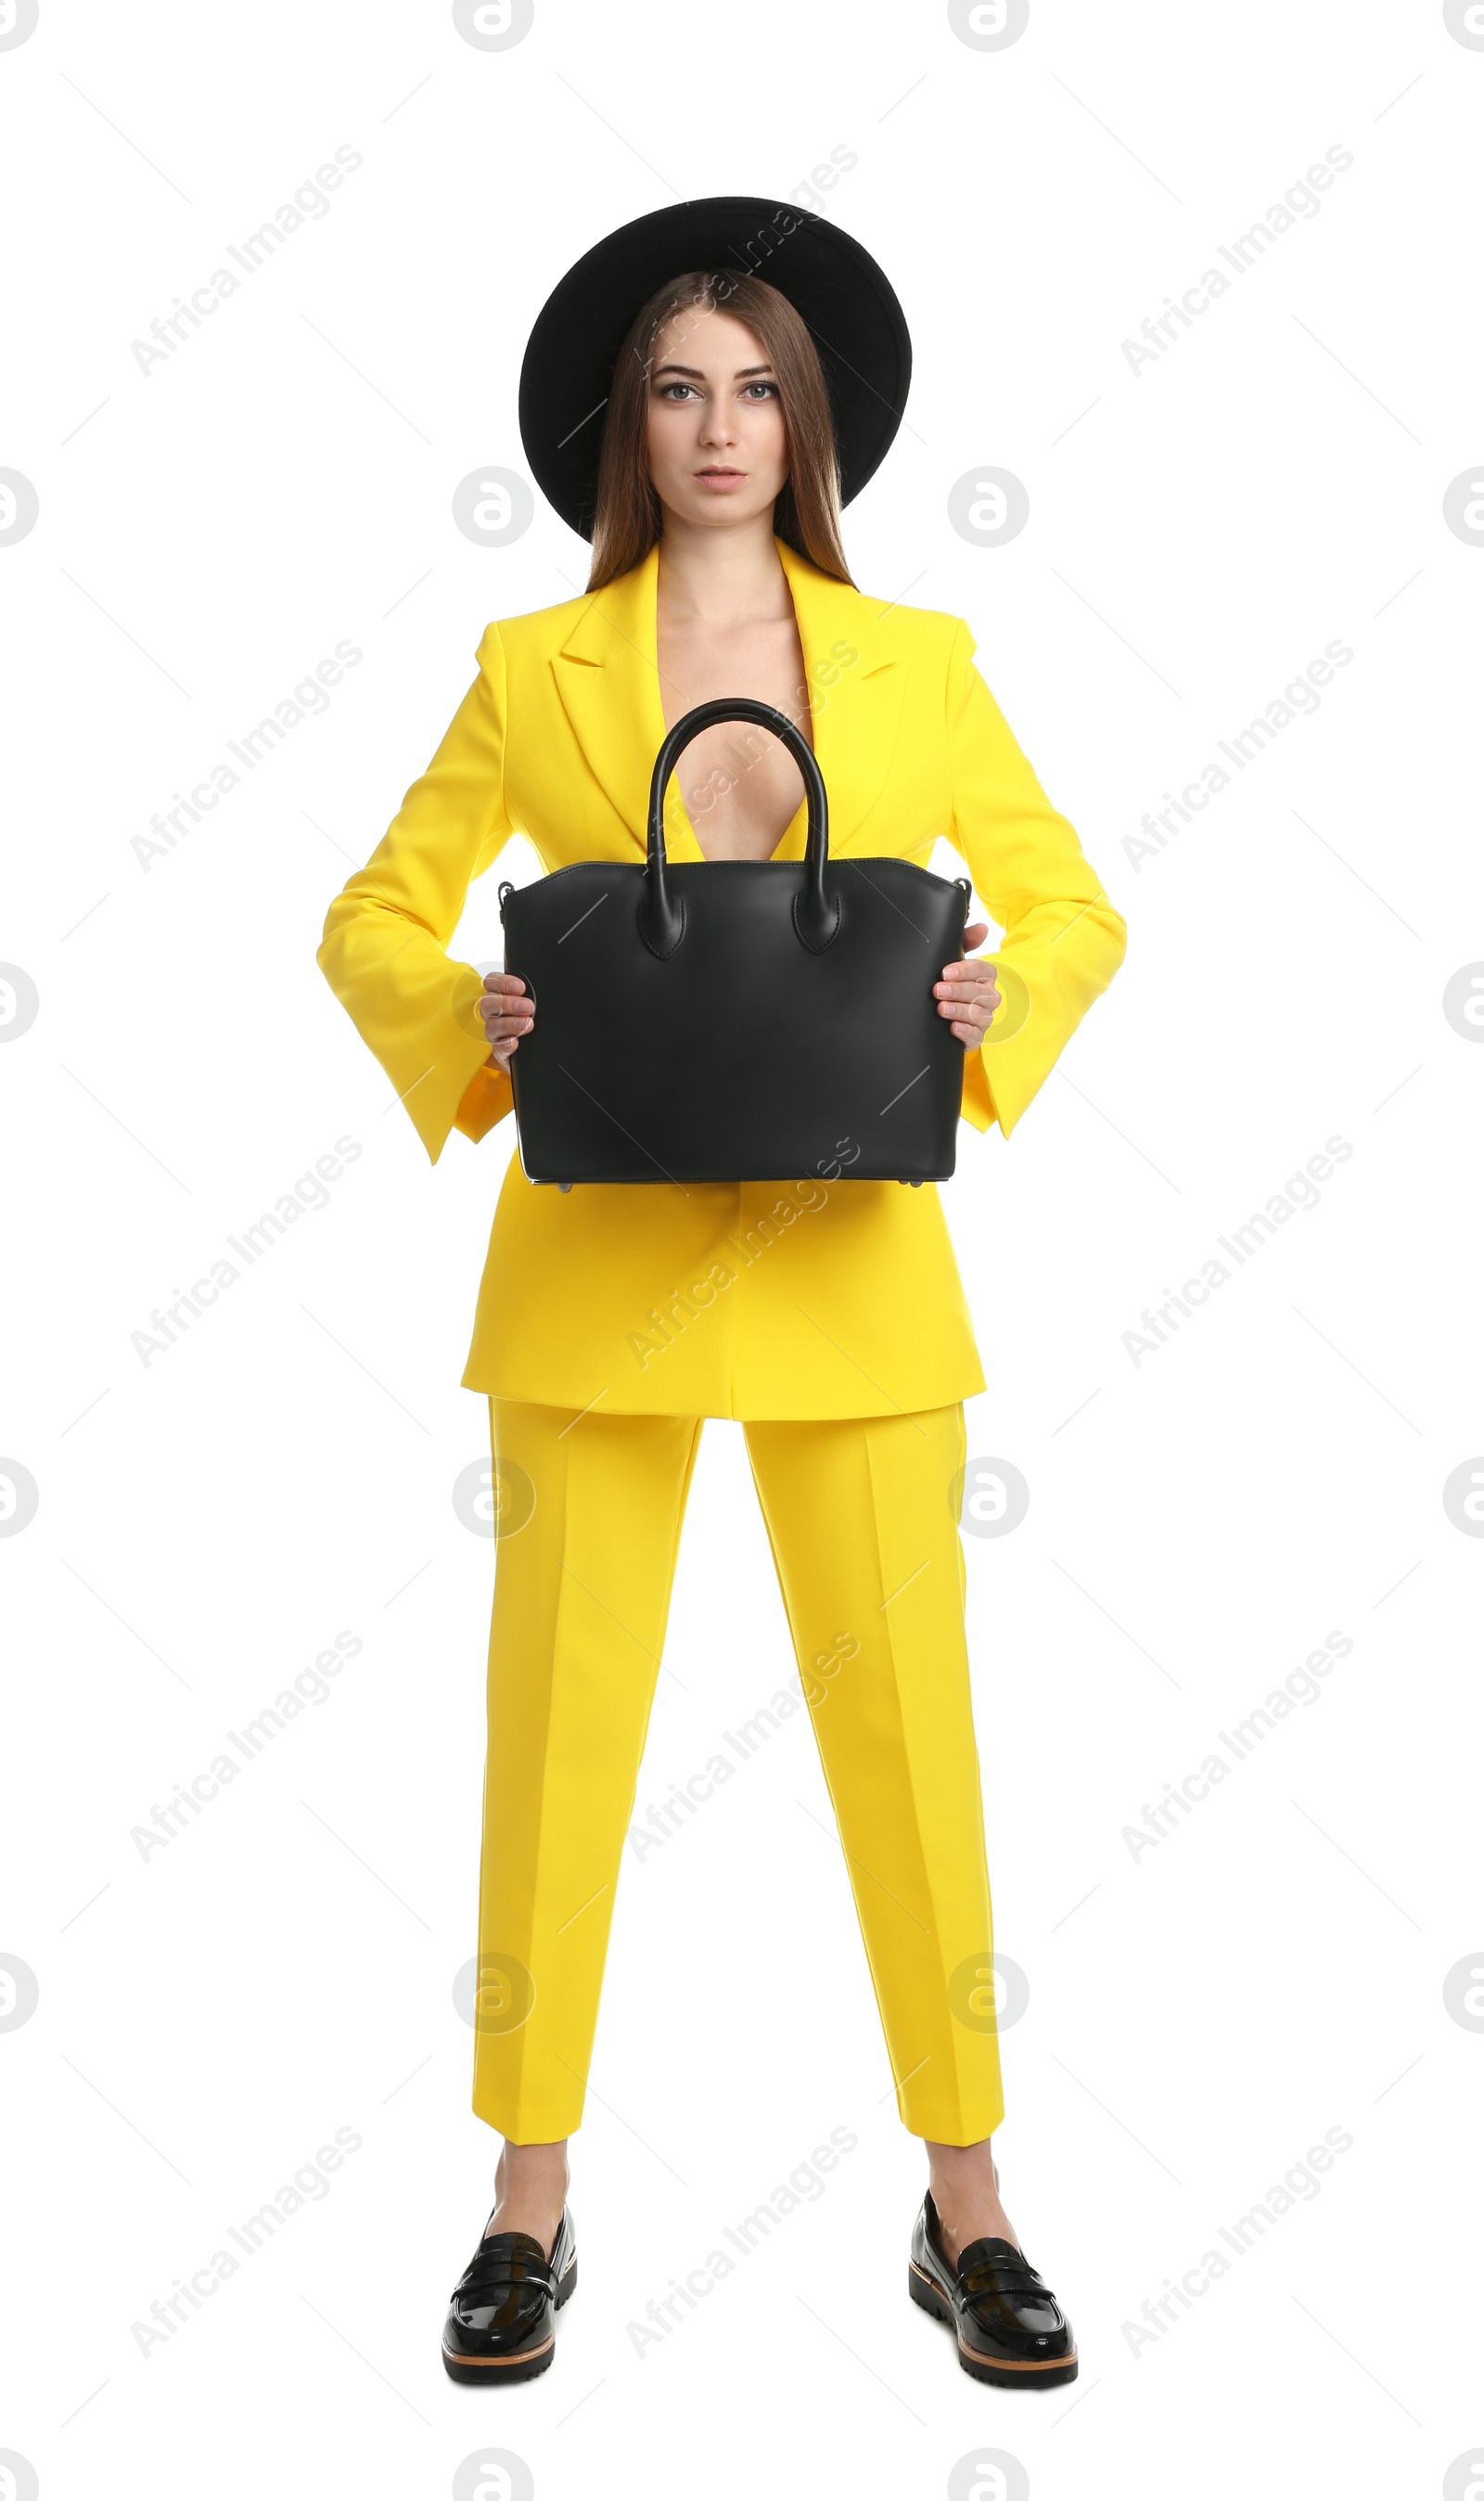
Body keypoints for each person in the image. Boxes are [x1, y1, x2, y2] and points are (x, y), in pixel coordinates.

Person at [315, 198, 1127, 2391]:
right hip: (598, 1265)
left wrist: (991, 993)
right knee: (555, 1736)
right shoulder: (528, 669)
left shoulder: (917, 662)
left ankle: (965, 2197)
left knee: (911, 1747)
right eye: (677, 387)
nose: (717, 425)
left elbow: (1069, 908)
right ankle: (525, 2190)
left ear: (809, 418)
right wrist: (469, 1017)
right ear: (623, 422)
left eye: (755, 386)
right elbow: (370, 917)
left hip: (857, 1257)